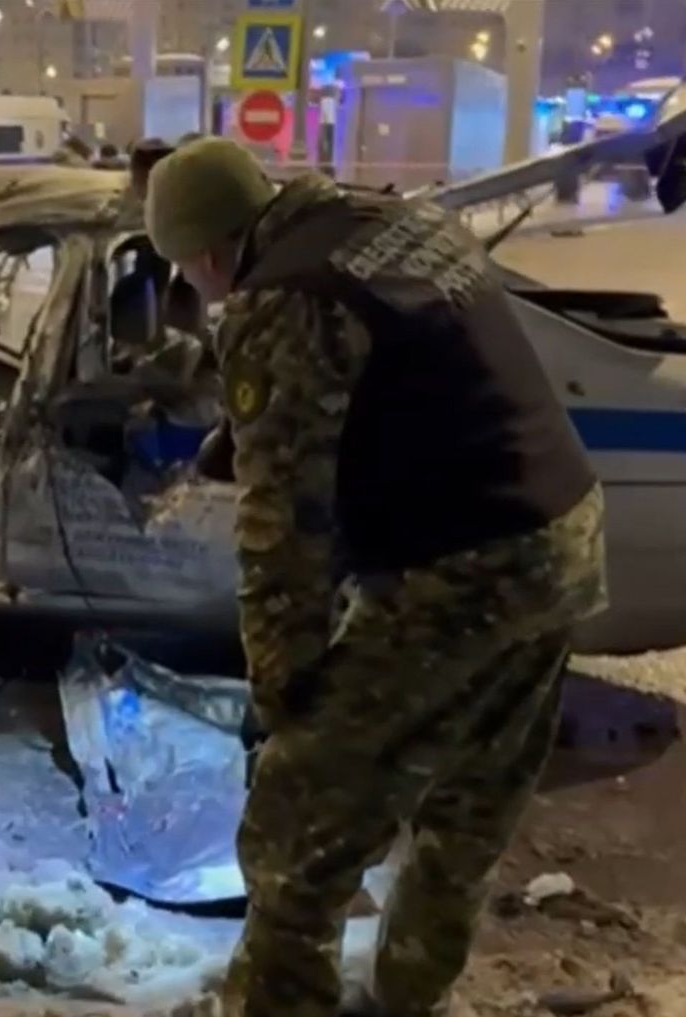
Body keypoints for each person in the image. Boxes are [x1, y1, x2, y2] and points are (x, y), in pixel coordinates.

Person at [145, 137, 607, 1017]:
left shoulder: (279, 297)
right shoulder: (384, 220)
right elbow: (403, 372)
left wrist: (284, 690)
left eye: (186, 277)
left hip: (462, 568)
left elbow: (284, 534)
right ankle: (406, 996)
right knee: (469, 803)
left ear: (205, 253)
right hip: (561, 535)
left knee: (296, 826)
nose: (199, 294)